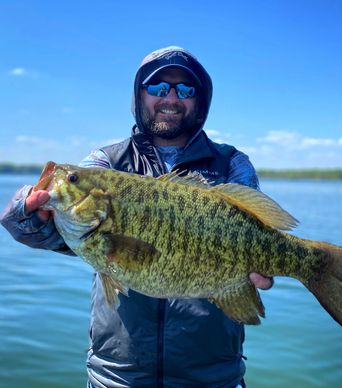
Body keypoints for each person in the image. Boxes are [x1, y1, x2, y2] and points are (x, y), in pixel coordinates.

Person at [0, 46, 273, 388]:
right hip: (117, 376)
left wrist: (263, 266)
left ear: (200, 102)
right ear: (139, 95)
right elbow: (52, 230)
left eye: (186, 90)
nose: (171, 98)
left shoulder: (231, 164)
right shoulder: (106, 162)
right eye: (158, 87)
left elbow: (262, 236)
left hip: (212, 377)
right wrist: (26, 213)